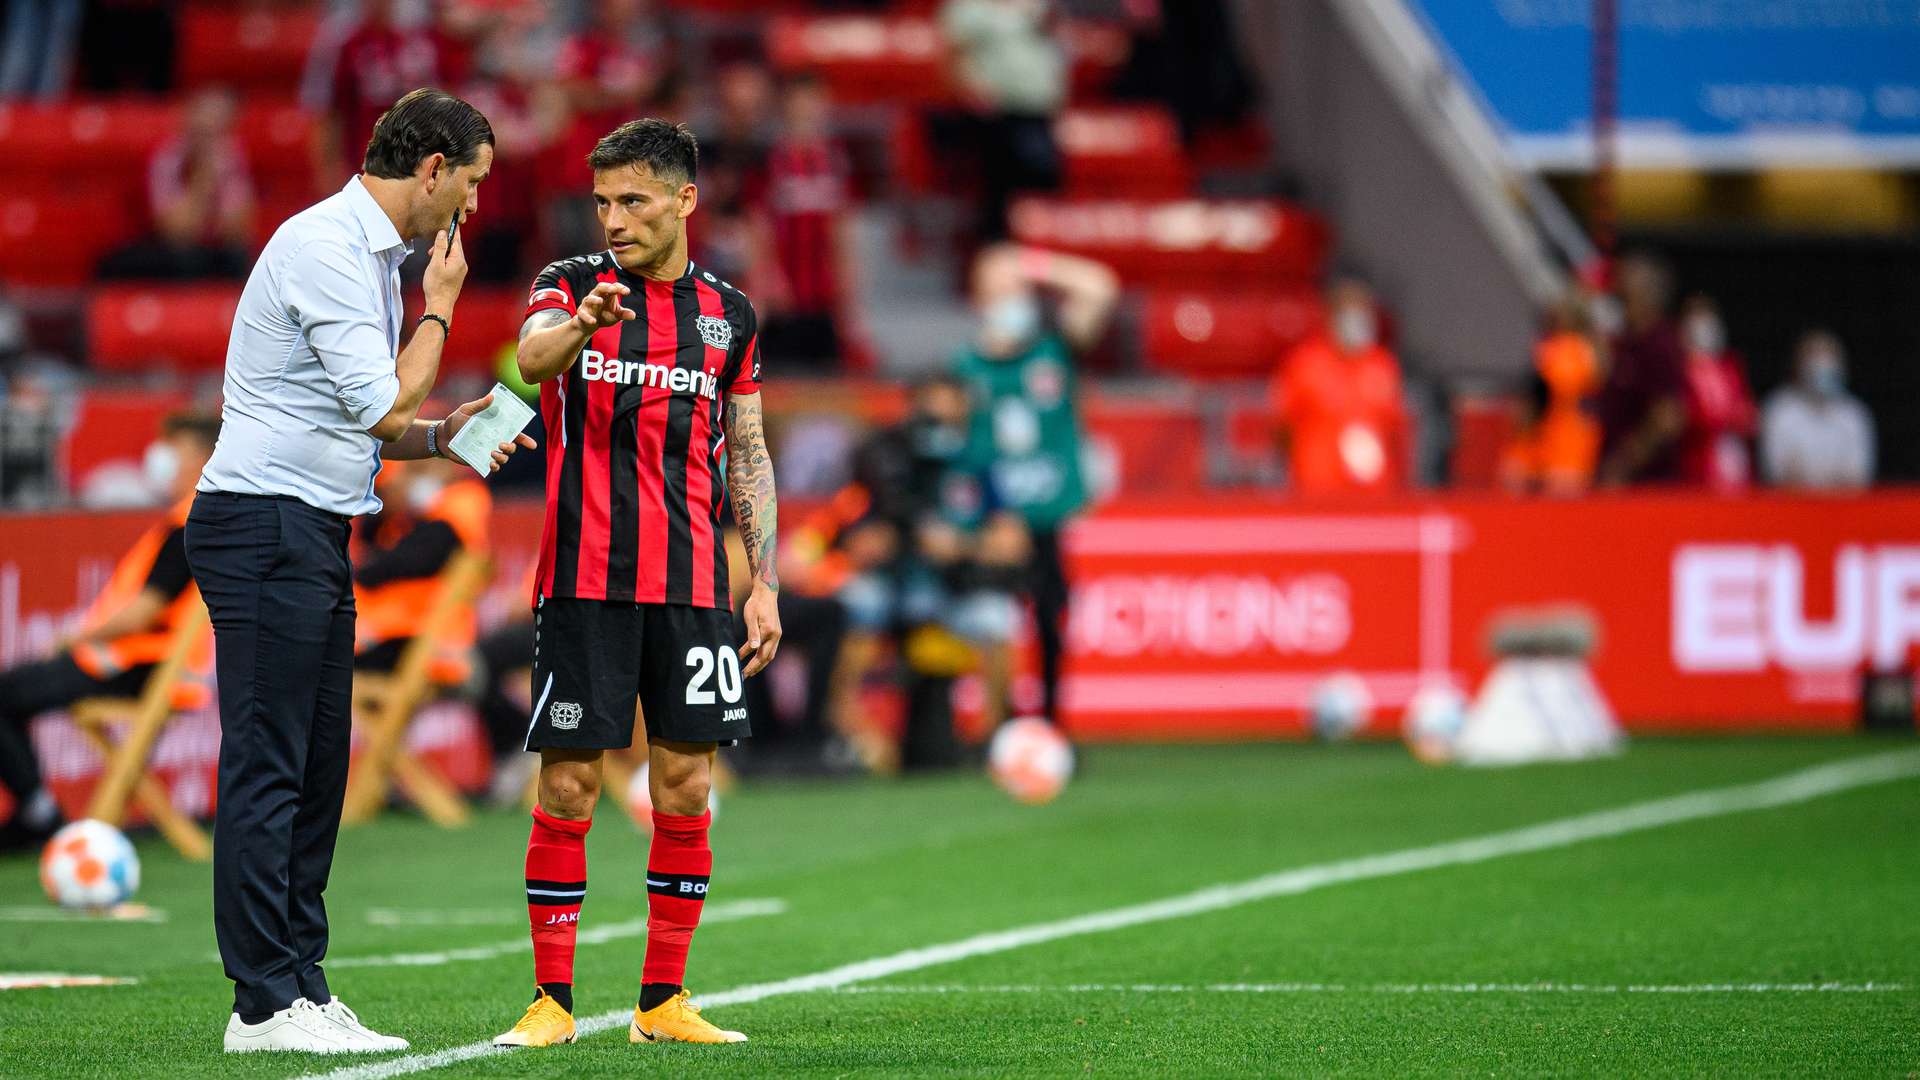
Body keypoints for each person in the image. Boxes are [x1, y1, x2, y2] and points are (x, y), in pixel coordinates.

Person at [186, 88, 530, 1055]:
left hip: (311, 526)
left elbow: (377, 427)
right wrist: (443, 312)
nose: (471, 206)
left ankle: (300, 979)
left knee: (317, 765)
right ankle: (262, 1005)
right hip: (264, 526)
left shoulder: (362, 253)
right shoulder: (328, 248)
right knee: (270, 760)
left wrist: (445, 436)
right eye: (469, 182)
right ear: (430, 169)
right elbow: (380, 406)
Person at [495, 118, 781, 1049]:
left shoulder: (728, 315)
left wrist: (764, 580)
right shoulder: (569, 285)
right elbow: (531, 360)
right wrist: (581, 326)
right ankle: (551, 1001)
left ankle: (662, 1001)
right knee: (572, 786)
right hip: (583, 579)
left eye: (635, 200)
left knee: (688, 784)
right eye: (604, 201)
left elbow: (747, 450)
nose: (613, 219)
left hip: (696, 585)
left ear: (685, 200)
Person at [0, 412, 218, 851]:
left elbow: (142, 612)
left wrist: (74, 638)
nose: (159, 460)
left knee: (5, 694)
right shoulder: (202, 518)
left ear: (200, 457)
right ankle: (36, 811)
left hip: (136, 663)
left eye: (171, 449)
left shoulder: (191, 523)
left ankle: (40, 815)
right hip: (149, 665)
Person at [954, 244, 1117, 731]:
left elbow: (1101, 285)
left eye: (1019, 289)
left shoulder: (1053, 350)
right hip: (992, 522)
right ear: (979, 300)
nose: (1013, 297)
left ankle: (1050, 723)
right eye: (1000, 289)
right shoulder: (964, 368)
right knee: (990, 621)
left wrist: (1034, 265)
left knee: (1051, 618)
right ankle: (992, 727)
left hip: (1046, 516)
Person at [756, 72, 861, 370]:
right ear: (786, 105)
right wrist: (767, 277)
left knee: (827, 379)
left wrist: (847, 282)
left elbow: (842, 225)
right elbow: (758, 223)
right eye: (800, 101)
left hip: (824, 294)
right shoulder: (772, 159)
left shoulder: (836, 160)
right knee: (780, 379)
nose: (807, 109)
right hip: (784, 297)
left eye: (814, 101)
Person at [351, 457, 492, 675]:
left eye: (420, 469)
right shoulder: (408, 517)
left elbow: (390, 567)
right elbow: (371, 548)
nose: (413, 478)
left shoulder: (459, 506)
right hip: (396, 634)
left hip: (422, 640)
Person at [98, 87, 255, 281]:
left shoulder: (231, 158)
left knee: (238, 259)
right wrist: (204, 178)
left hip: (206, 249)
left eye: (216, 130)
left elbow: (238, 232)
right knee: (185, 259)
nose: (206, 139)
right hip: (156, 248)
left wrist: (220, 172)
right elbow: (177, 233)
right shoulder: (165, 158)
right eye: (201, 130)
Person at [1270, 277, 1409, 496]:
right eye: (1349, 313)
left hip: (1375, 492)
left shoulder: (1382, 364)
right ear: (1331, 316)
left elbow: (1395, 428)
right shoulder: (1305, 363)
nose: (1357, 321)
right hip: (1317, 489)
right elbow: (1282, 428)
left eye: (1363, 313)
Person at [1500, 288, 1604, 495]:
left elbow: (1553, 390)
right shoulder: (1556, 347)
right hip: (1543, 443)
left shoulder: (1573, 350)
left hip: (1566, 445)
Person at [1597, 254, 1686, 486]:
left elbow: (1668, 417)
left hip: (1648, 484)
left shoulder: (1660, 344)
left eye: (1625, 293)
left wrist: (1622, 465)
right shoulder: (1624, 342)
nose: (1617, 293)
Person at [1761, 330, 1876, 491]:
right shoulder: (1780, 410)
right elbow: (1777, 472)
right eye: (1815, 356)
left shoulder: (1854, 414)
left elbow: (1859, 474)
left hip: (1845, 508)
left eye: (1829, 357)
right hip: (1791, 507)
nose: (1823, 364)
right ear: (1799, 364)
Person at [1675, 294, 1756, 492]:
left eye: (1708, 316)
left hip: (1734, 463)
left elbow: (1747, 411)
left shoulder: (1731, 365)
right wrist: (1724, 419)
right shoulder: (1678, 368)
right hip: (1696, 470)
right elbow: (1683, 417)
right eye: (1697, 316)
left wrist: (1746, 418)